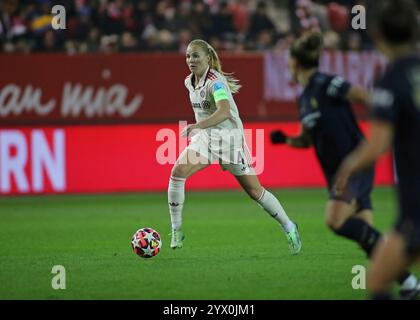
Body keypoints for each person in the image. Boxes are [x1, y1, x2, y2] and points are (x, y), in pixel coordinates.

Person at [270, 31, 419, 297]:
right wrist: (285, 140)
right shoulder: (304, 99)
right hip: (338, 173)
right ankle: (409, 283)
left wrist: (390, 118)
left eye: (288, 62)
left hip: (354, 165)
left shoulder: (327, 83)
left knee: (335, 219)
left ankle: (404, 271)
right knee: (366, 238)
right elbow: (306, 140)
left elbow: (363, 95)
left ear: (294, 62)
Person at [168, 39, 302, 255]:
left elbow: (224, 112)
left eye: (195, 56)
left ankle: (289, 225)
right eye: (188, 56)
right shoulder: (188, 81)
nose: (191, 60)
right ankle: (176, 230)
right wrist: (201, 130)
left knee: (254, 191)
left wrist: (196, 125)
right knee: (178, 172)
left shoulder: (216, 82)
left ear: (207, 58)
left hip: (229, 140)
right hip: (206, 138)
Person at [334, 0, 420, 299]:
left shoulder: (390, 80)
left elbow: (378, 145)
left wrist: (348, 167)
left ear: (379, 35)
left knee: (377, 282)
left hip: (415, 207)